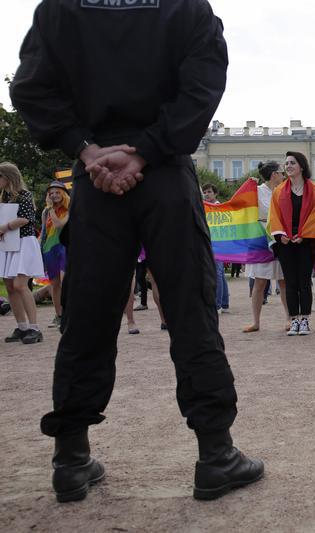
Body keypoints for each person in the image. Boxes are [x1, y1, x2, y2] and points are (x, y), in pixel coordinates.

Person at [10, 0, 262, 502]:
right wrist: (147, 148)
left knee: (87, 314)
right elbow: (203, 85)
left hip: (96, 170)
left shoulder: (60, 8)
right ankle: (215, 453)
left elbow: (32, 87)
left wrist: (86, 150)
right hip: (165, 172)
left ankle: (71, 457)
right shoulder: (186, 7)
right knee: (190, 309)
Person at [268, 151, 315, 336]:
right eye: (287, 163)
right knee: (289, 282)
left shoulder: (314, 190)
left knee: (304, 281)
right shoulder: (278, 191)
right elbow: (273, 216)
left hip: (306, 242)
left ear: (301, 166)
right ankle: (294, 320)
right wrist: (280, 235)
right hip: (286, 243)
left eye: (292, 163)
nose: (288, 166)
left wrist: (305, 235)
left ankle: (305, 319)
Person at [0, 162, 45, 344]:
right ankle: (22, 326)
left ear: (8, 177)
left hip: (24, 243)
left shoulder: (24, 195)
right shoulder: (5, 197)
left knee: (20, 285)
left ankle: (34, 328)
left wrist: (4, 227)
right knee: (10, 286)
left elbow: (26, 219)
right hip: (10, 244)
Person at [242, 161, 289, 332]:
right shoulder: (257, 190)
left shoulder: (285, 191)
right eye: (281, 172)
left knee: (284, 281)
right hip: (261, 238)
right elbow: (242, 203)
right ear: (273, 174)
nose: (283, 175)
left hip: (279, 238)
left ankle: (289, 318)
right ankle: (256, 322)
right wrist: (247, 186)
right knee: (259, 282)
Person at [40, 180, 70, 328]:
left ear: (63, 193)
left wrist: (51, 209)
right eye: (51, 193)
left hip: (64, 247)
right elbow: (43, 233)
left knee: (66, 283)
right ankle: (58, 315)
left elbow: (59, 224)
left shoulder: (70, 208)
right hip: (49, 249)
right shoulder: (45, 212)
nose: (54, 195)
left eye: (57, 192)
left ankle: (69, 313)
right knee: (55, 285)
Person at [202, 184, 230, 315]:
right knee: (220, 274)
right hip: (210, 243)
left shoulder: (219, 207)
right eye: (205, 192)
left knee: (217, 273)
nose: (206, 194)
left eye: (209, 192)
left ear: (215, 193)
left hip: (218, 244)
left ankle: (217, 305)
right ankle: (224, 303)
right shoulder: (205, 208)